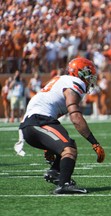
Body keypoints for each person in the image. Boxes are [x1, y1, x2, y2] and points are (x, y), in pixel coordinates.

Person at [16, 57, 105, 194]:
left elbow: (53, 110)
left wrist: (50, 145)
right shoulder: (74, 83)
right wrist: (94, 142)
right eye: (88, 74)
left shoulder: (61, 80)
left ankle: (55, 172)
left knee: (68, 144)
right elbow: (75, 116)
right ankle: (64, 184)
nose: (90, 79)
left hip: (34, 123)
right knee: (69, 149)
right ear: (79, 73)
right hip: (39, 121)